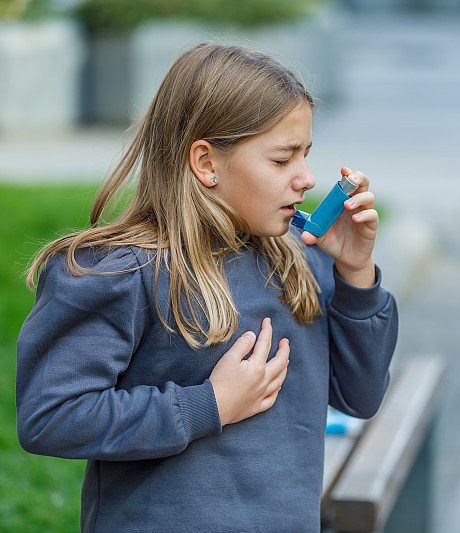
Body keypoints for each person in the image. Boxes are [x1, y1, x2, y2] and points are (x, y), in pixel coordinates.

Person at [15, 43, 398, 532]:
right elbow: (52, 415)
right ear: (206, 163)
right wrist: (209, 405)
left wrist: (356, 275)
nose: (305, 178)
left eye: (306, 154)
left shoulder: (303, 263)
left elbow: (361, 397)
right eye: (282, 160)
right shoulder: (119, 274)